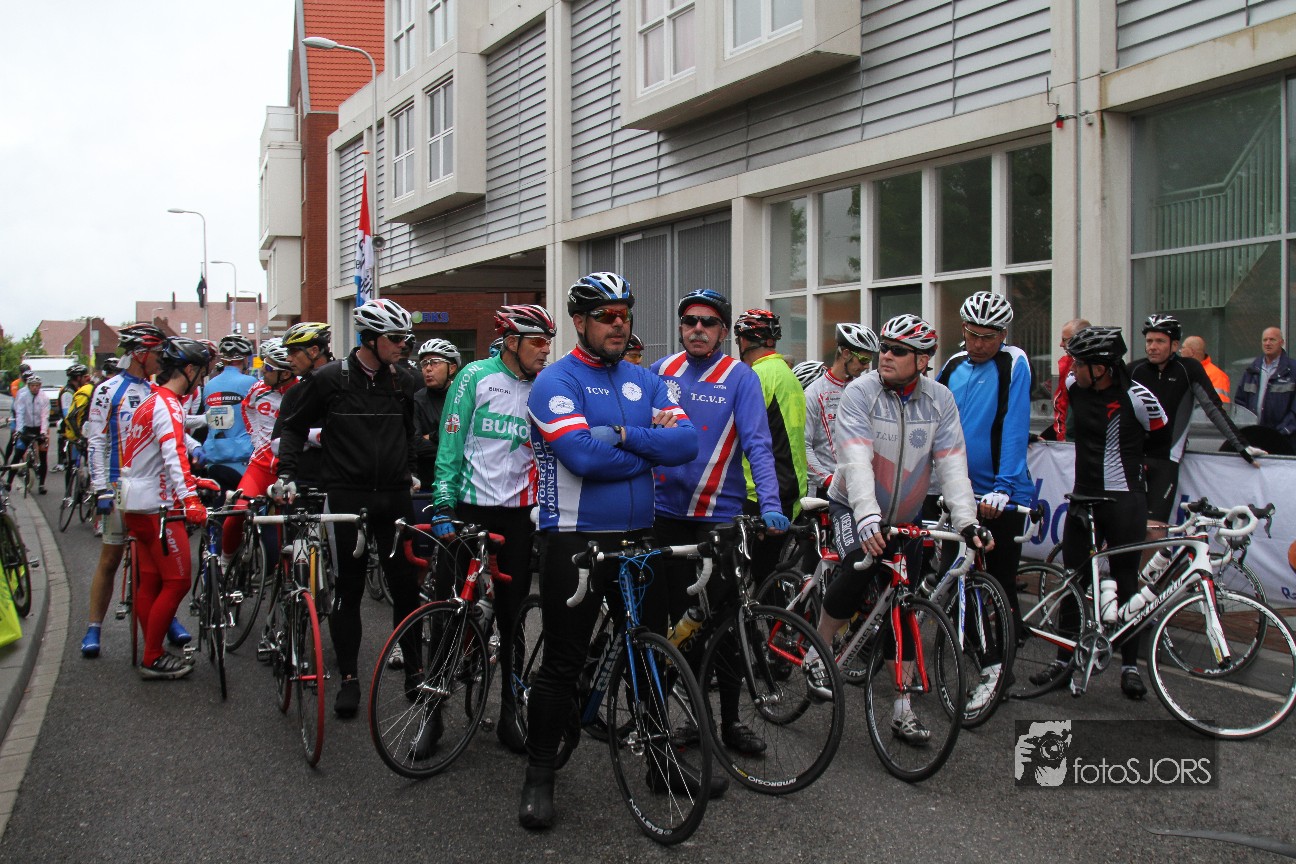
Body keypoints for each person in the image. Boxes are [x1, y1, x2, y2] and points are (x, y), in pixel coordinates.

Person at [519, 271, 700, 830]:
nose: (618, 325)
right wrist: (650, 453)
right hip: (575, 541)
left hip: (638, 539)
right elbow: (581, 458)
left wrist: (623, 437)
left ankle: (660, 761)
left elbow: (687, 443)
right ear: (579, 321)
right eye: (605, 316)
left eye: (625, 314)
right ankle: (539, 775)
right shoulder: (556, 381)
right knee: (563, 663)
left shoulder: (647, 381)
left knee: (648, 656)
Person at [802, 313, 991, 742]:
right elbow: (855, 460)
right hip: (853, 504)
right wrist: (867, 516)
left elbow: (952, 465)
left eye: (897, 350)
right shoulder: (860, 392)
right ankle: (818, 651)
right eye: (884, 347)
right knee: (858, 568)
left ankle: (902, 709)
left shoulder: (940, 400)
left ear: (923, 360)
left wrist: (966, 521)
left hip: (905, 517)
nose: (885, 355)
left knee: (902, 607)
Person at [651, 288, 787, 756]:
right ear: (680, 326)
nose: (698, 329)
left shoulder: (740, 377)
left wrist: (770, 503)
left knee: (725, 625)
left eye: (708, 322)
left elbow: (758, 445)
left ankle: (731, 721)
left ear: (724, 331)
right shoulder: (661, 371)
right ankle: (692, 719)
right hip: (666, 517)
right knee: (679, 625)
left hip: (719, 518)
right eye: (690, 320)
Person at [274, 299, 420, 720]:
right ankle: (350, 679)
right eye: (395, 338)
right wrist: (286, 473)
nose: (403, 345)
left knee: (405, 588)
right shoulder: (329, 379)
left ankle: (415, 672)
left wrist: (410, 469)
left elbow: (409, 430)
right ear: (370, 339)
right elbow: (293, 427)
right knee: (349, 589)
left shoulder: (404, 379)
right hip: (347, 498)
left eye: (405, 337)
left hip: (394, 496)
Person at [430, 305, 553, 753]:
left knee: (512, 618)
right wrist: (442, 505)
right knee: (449, 611)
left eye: (548, 342)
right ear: (511, 342)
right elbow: (449, 445)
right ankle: (431, 714)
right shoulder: (474, 376)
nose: (545, 350)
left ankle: (509, 714)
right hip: (468, 509)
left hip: (518, 517)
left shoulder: (545, 386)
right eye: (537, 342)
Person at [1048, 325, 1167, 699]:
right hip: (1084, 497)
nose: (1072, 369)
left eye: (1079, 363)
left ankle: (1130, 667)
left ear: (1101, 368)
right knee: (1073, 580)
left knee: (1126, 580)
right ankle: (1063, 660)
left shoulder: (1137, 397)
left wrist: (1143, 482)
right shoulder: (1073, 386)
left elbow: (1160, 439)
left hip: (1124, 500)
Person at [936, 292, 1035, 709]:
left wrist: (1005, 486)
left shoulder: (1014, 362)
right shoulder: (952, 365)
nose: (979, 344)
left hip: (999, 494)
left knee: (999, 584)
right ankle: (988, 657)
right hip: (959, 493)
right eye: (973, 335)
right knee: (955, 581)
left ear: (1003, 334)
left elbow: (1015, 424)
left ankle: (999, 672)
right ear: (963, 330)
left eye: (988, 337)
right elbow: (935, 422)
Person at [80, 323, 195, 658]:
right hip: (117, 485)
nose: (161, 360)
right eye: (157, 353)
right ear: (140, 354)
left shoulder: (155, 390)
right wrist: (100, 488)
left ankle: (166, 620)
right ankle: (94, 626)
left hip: (152, 488)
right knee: (110, 558)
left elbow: (170, 430)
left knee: (158, 565)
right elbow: (96, 441)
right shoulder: (108, 390)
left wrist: (194, 447)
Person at [118, 338, 217, 680]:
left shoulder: (151, 400)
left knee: (150, 582)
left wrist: (194, 483)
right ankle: (153, 656)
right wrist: (191, 500)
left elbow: (148, 458)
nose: (201, 381)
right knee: (177, 582)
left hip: (136, 503)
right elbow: (174, 453)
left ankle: (153, 648)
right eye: (200, 374)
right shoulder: (168, 405)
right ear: (188, 370)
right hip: (158, 508)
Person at [1129, 314, 1258, 547]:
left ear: (1174, 345)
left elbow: (1213, 409)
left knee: (1154, 532)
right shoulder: (1134, 370)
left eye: (1159, 341)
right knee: (1124, 527)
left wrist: (1242, 446)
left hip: (1166, 461)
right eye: (1149, 341)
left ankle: (1146, 573)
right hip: (1132, 457)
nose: (1152, 347)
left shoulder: (1188, 369)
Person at [733, 308, 807, 584]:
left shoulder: (756, 375)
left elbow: (737, 431)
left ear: (743, 340)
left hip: (760, 491)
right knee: (769, 577)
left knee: (743, 578)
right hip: (791, 486)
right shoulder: (786, 373)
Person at [217, 339, 298, 567]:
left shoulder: (302, 391)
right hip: (261, 466)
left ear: (285, 373)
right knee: (237, 514)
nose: (263, 370)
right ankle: (225, 562)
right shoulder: (258, 389)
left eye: (268, 367)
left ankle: (288, 577)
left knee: (288, 527)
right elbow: (247, 409)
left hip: (290, 468)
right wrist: (256, 438)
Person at [805, 323, 877, 497]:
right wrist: (827, 479)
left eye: (869, 361)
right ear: (845, 353)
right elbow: (803, 446)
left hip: (862, 486)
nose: (867, 367)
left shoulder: (865, 391)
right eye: (863, 360)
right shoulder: (814, 393)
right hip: (827, 489)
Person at [202, 335, 257, 492]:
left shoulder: (210, 385)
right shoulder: (250, 382)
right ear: (244, 359)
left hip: (214, 457)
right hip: (243, 459)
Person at [412, 338, 462, 491]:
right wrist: (451, 441)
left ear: (452, 368)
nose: (428, 369)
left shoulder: (464, 398)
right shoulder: (417, 400)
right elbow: (415, 445)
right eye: (424, 364)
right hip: (428, 485)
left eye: (434, 362)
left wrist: (431, 436)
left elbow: (472, 440)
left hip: (460, 485)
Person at [1235, 327, 1296, 451]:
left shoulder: (1292, 370)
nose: (1268, 343)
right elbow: (1240, 402)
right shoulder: (1252, 370)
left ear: (1282, 342)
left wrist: (1283, 431)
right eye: (1265, 340)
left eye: (1272, 340)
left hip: (1285, 439)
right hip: (1254, 439)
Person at [1042, 317, 1089, 440]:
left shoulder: (1083, 368)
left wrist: (1066, 437)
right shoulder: (1067, 362)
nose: (1061, 344)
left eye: (1064, 340)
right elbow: (1062, 402)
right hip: (1065, 434)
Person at [9, 375, 51, 494]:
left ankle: (41, 484)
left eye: (37, 386)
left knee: (43, 457)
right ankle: (9, 482)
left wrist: (43, 432)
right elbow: (20, 414)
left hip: (39, 428)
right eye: (32, 386)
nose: (35, 388)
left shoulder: (44, 397)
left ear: (40, 386)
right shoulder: (23, 396)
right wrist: (19, 430)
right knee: (18, 454)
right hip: (27, 428)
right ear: (28, 386)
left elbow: (45, 416)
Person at [1178, 335, 1231, 405]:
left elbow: (1219, 407)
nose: (1180, 351)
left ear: (1191, 352)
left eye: (1183, 348)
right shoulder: (1182, 372)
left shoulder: (1217, 376)